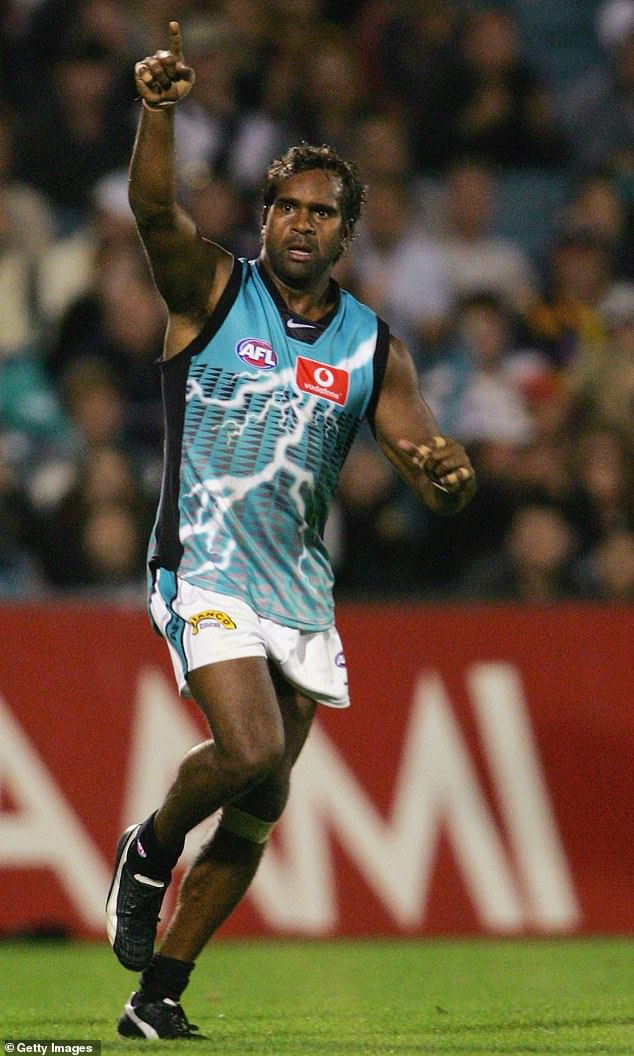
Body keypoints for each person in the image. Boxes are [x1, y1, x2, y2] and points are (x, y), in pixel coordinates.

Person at [105, 22, 476, 1041]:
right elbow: (149, 207)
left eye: (322, 211)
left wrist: (450, 478)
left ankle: (158, 997)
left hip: (300, 588)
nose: (301, 223)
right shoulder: (212, 290)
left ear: (347, 232)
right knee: (249, 743)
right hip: (203, 560)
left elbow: (426, 463)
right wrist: (161, 109)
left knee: (262, 799)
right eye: (287, 205)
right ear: (264, 215)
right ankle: (148, 845)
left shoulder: (372, 347)